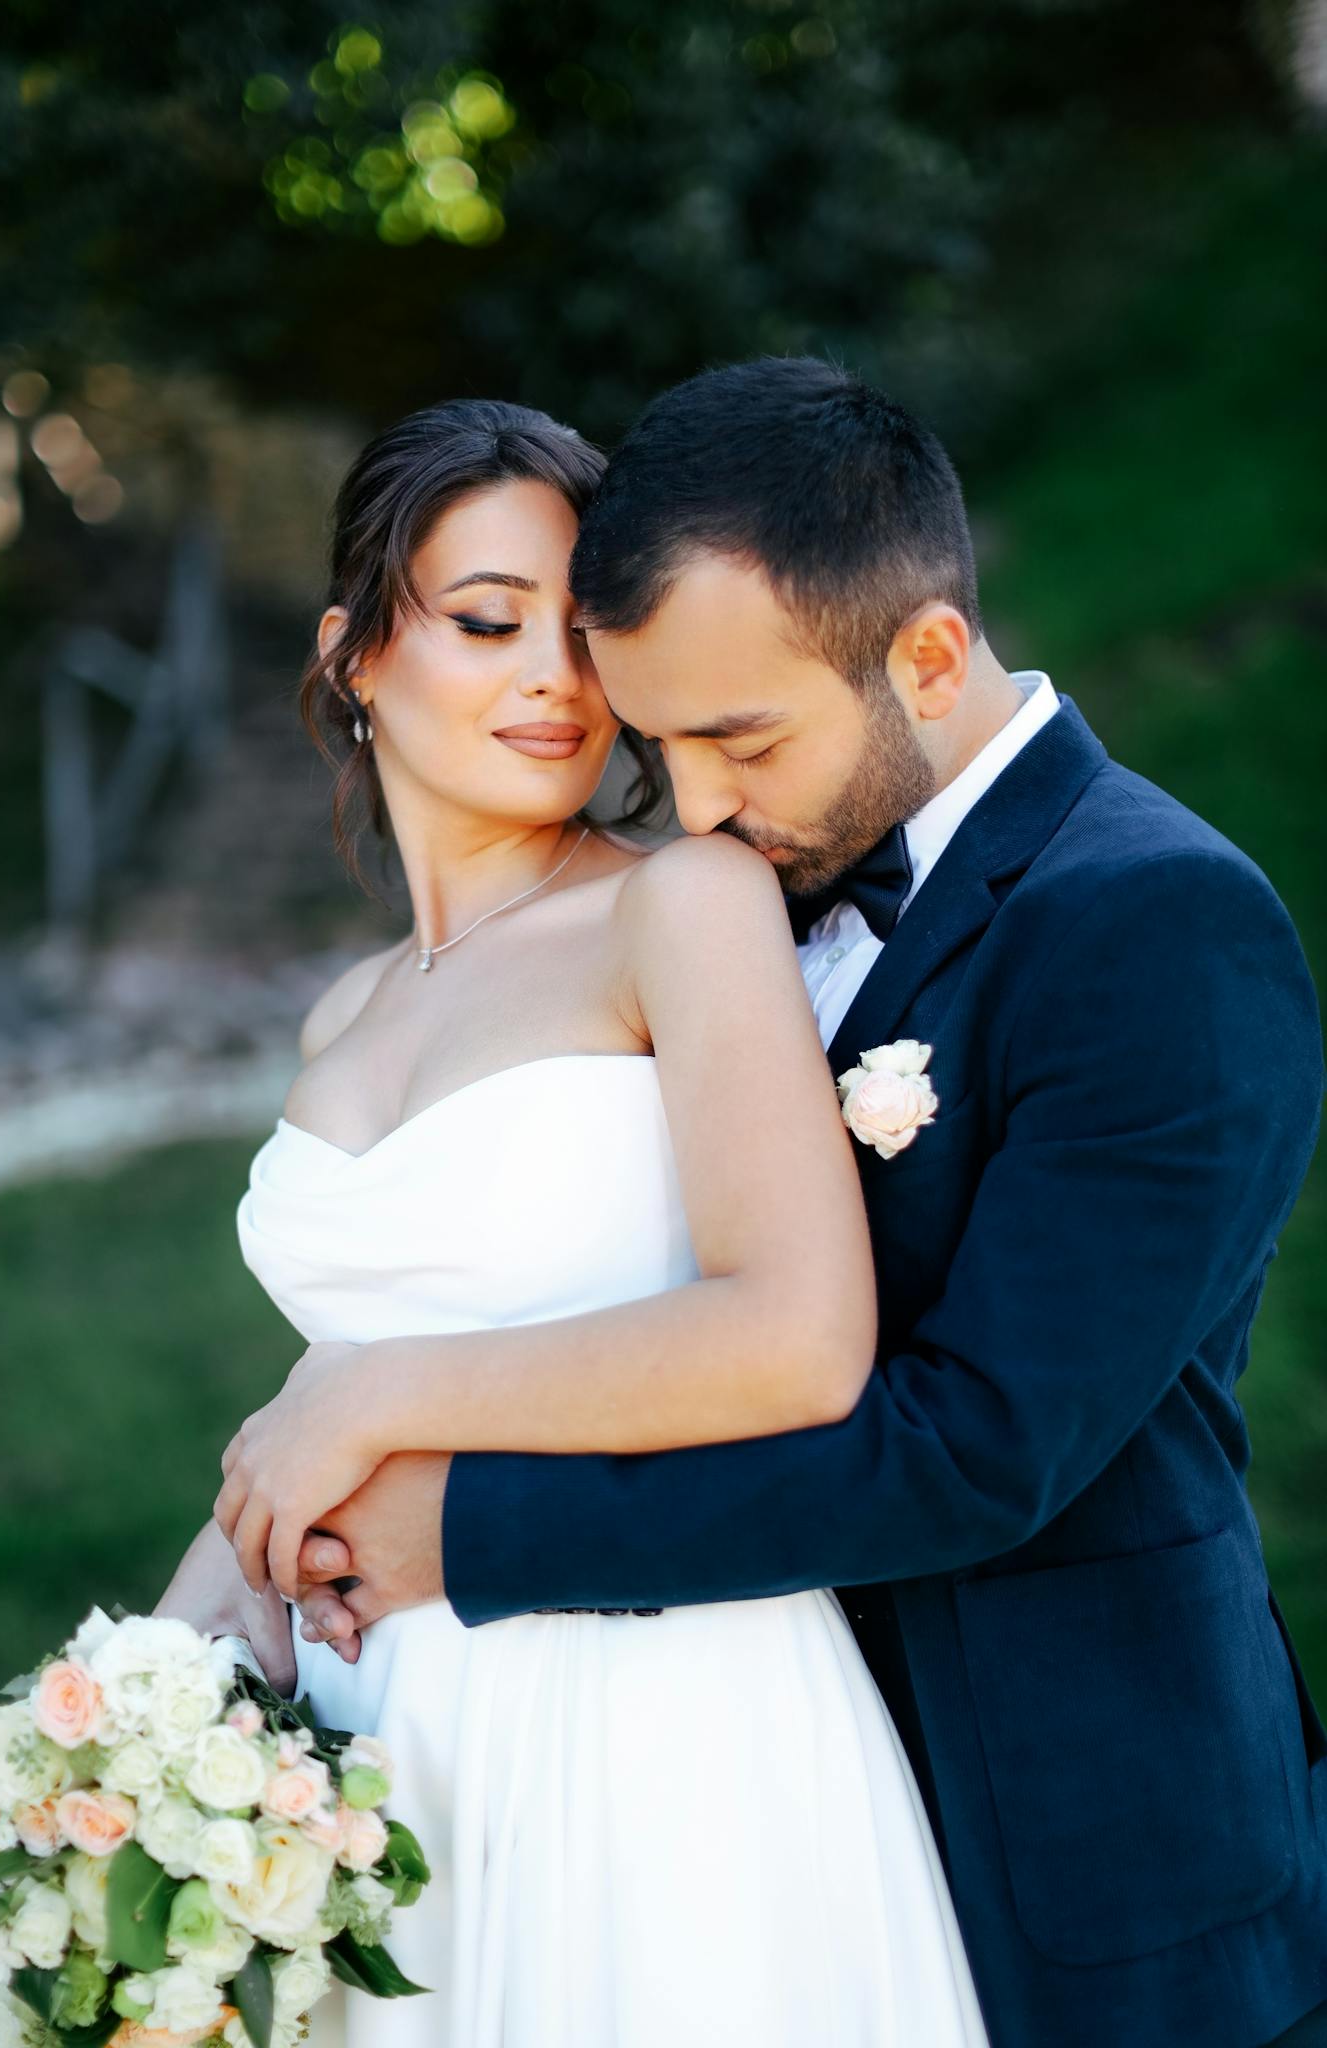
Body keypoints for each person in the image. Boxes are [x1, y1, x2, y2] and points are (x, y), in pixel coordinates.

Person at [275, 360, 1327, 2048]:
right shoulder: (761, 894)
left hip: (1082, 1849)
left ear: (924, 654)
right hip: (736, 1799)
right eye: (665, 740)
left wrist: (467, 1536)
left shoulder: (1160, 925)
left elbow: (978, 1444)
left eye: (738, 740)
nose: (691, 804)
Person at [158, 396, 991, 2046]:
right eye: (486, 622)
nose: (553, 677)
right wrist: (147, 1693)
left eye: (580, 634)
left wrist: (376, 1395)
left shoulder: (680, 906)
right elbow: (314, 1422)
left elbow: (797, 1335)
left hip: (655, 1720)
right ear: (353, 656)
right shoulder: (344, 1016)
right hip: (380, 1722)